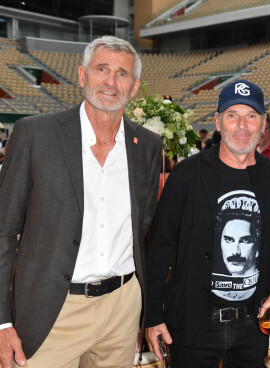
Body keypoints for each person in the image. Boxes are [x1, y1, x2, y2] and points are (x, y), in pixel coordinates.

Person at [0, 35, 162, 368]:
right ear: (82, 75)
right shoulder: (34, 135)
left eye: (122, 74)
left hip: (121, 309)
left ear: (134, 88)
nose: (110, 81)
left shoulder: (147, 146)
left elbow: (143, 227)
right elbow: (3, 232)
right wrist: (2, 322)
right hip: (51, 311)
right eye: (102, 69)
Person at [145, 79, 270, 367]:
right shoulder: (187, 175)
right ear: (217, 121)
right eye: (232, 115)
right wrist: (152, 316)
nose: (242, 125)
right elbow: (159, 249)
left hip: (255, 325)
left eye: (251, 116)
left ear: (263, 125)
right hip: (192, 324)